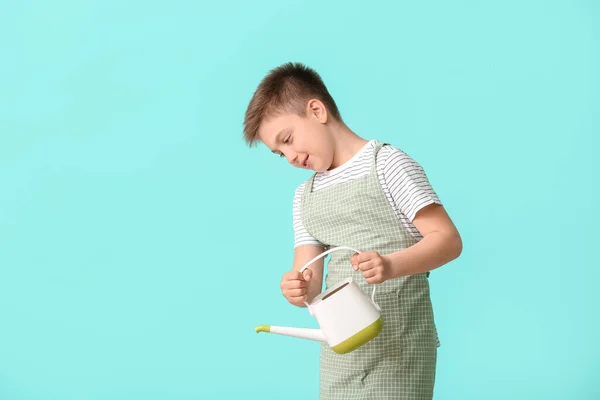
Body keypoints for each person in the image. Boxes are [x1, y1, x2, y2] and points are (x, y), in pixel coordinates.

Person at [243, 62, 463, 399]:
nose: (288, 156)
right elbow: (310, 281)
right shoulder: (305, 196)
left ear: (316, 110)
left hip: (400, 345)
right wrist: (297, 288)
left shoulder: (387, 164)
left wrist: (390, 266)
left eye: (287, 140)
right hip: (342, 349)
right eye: (278, 152)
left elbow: (447, 241)